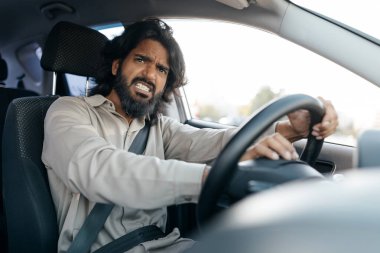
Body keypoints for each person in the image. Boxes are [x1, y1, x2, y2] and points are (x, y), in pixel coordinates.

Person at [42, 18, 338, 253]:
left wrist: (291, 130)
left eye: (161, 69)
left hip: (167, 245)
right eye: (141, 59)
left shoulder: (159, 129)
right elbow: (100, 171)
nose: (150, 74)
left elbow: (217, 143)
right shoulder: (68, 112)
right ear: (118, 65)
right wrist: (209, 179)